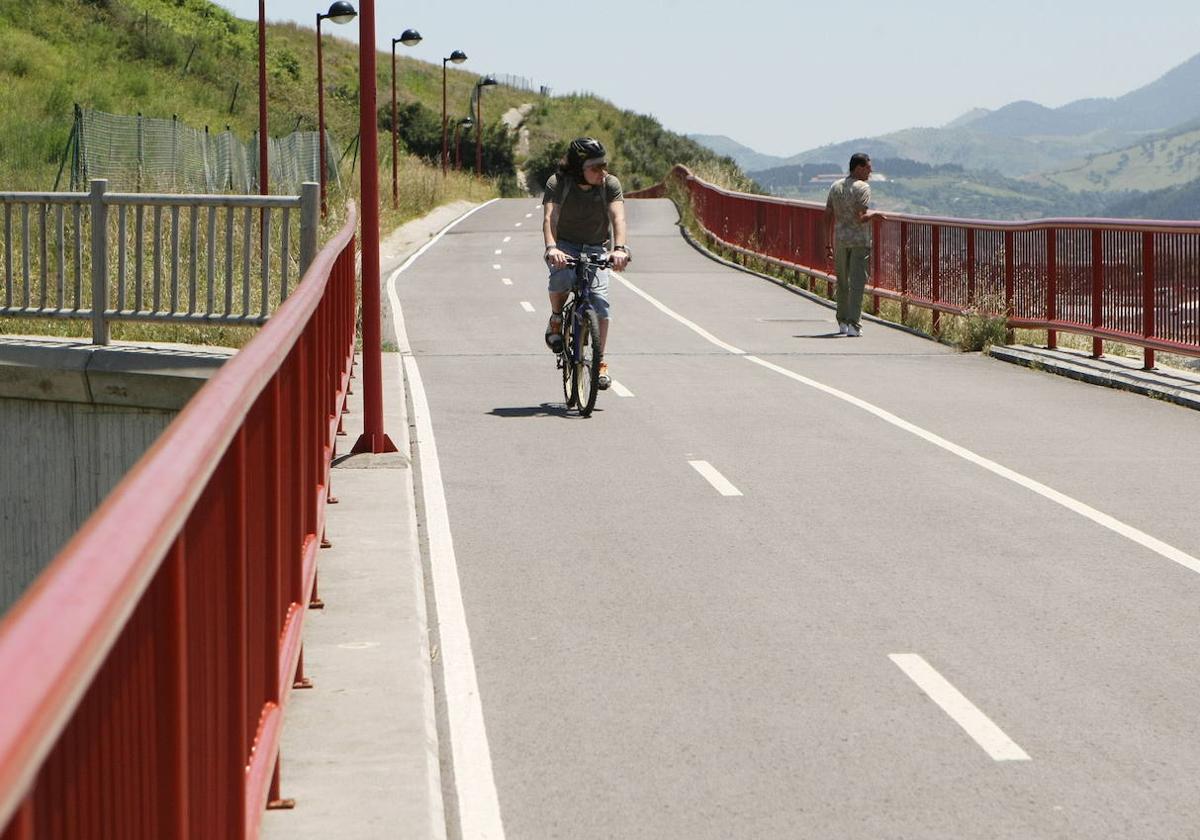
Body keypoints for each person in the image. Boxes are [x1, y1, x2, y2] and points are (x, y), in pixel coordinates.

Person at [542, 137, 630, 389]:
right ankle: (557, 318)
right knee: (560, 279)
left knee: (600, 304)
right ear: (578, 169)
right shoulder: (558, 183)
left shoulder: (610, 184)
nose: (602, 171)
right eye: (595, 167)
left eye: (604, 165)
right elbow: (551, 218)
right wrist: (552, 248)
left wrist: (619, 249)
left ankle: (599, 361)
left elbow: (618, 218)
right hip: (564, 246)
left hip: (596, 247)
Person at [823, 152, 874, 337]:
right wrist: (874, 216)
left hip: (840, 240)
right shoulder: (863, 188)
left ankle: (842, 321)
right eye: (868, 167)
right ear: (859, 168)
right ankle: (854, 324)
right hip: (859, 241)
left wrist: (827, 243)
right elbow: (861, 217)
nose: (871, 171)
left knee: (842, 282)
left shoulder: (836, 186)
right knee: (858, 283)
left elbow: (827, 215)